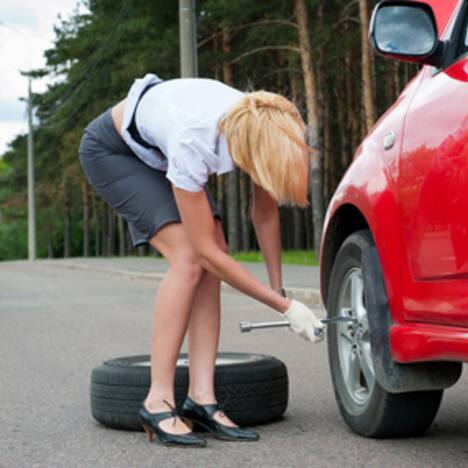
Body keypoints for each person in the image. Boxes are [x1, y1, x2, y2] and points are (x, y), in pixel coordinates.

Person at [78, 73, 325, 447]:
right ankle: (158, 400)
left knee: (215, 253)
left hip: (158, 149)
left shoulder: (275, 122)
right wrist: (287, 308)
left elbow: (265, 214)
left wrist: (279, 290)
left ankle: (201, 398)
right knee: (191, 258)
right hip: (114, 152)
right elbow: (203, 253)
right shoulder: (194, 140)